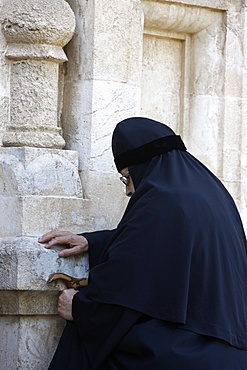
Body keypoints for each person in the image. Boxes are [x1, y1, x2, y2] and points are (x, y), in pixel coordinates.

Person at [39, 117, 247, 369]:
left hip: (189, 352)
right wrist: (91, 242)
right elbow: (162, 245)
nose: (127, 190)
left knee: (85, 339)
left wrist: (80, 308)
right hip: (228, 347)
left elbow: (125, 284)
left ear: (144, 166)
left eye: (127, 177)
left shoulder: (162, 199)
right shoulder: (208, 190)